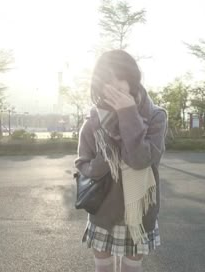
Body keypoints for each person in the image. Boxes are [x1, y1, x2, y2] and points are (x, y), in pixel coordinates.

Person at [75, 50, 167, 272]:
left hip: (139, 214)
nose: (114, 85)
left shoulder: (155, 117)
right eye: (107, 79)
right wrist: (106, 159)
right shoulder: (94, 120)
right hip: (103, 210)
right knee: (103, 267)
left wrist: (128, 115)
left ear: (132, 79)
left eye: (120, 77)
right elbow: (82, 165)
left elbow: (140, 160)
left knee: (131, 267)